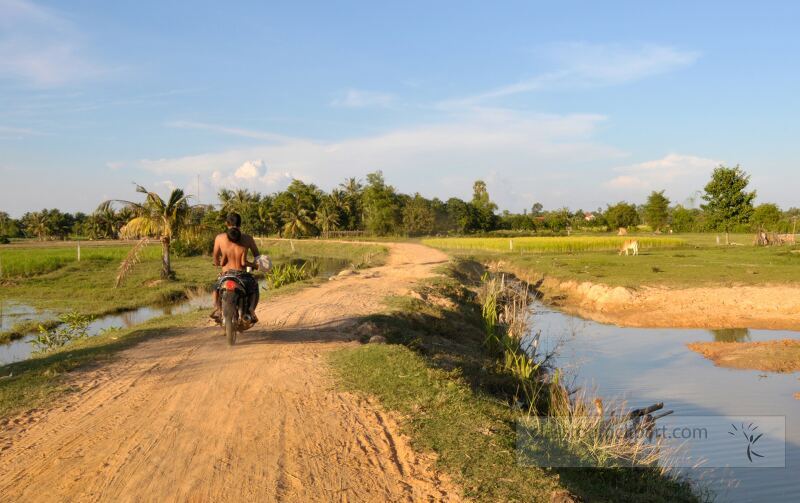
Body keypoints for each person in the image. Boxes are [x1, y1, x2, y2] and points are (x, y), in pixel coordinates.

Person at [211, 213, 261, 323]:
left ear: (226, 223)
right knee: (254, 287)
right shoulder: (247, 238)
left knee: (215, 287)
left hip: (226, 275)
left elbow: (216, 258)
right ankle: (251, 310)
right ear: (240, 223)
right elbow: (256, 256)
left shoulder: (220, 238)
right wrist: (255, 265)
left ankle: (217, 308)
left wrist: (217, 263)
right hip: (242, 275)